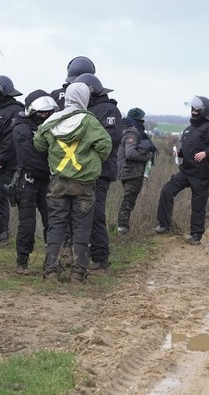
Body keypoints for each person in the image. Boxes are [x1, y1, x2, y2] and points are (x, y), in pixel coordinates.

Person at [33, 82, 112, 282]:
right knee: (82, 227)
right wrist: (90, 159)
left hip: (58, 182)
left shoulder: (52, 120)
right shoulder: (89, 121)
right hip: (84, 183)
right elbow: (105, 145)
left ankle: (51, 270)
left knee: (56, 225)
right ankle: (78, 273)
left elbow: (39, 143)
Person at [154, 95, 209, 245]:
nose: (193, 112)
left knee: (198, 206)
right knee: (166, 191)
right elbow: (188, 148)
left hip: (201, 174)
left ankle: (196, 235)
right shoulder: (189, 129)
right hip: (186, 171)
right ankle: (164, 225)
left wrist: (207, 153)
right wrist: (179, 152)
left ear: (204, 110)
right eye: (192, 109)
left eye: (197, 109)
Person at [73, 73, 121, 272]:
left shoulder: (109, 110)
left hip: (100, 171)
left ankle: (101, 259)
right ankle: (88, 255)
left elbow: (111, 139)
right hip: (83, 170)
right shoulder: (85, 110)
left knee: (95, 213)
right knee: (84, 212)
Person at [12, 90, 58, 275]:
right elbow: (32, 158)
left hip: (48, 181)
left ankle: (52, 262)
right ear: (31, 111)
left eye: (47, 112)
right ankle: (22, 261)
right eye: (41, 112)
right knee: (27, 224)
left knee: (53, 222)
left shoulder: (54, 126)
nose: (44, 115)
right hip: (28, 181)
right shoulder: (21, 129)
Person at [0, 75, 24, 246]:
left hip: (7, 164)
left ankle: (1, 233)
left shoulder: (14, 111)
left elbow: (10, 140)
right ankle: (2, 233)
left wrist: (0, 161)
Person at [116, 107, 156, 236]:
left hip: (131, 171)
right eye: (141, 119)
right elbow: (131, 153)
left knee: (129, 200)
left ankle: (122, 227)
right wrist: (147, 156)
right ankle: (122, 228)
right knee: (128, 201)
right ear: (137, 120)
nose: (143, 121)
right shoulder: (132, 133)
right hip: (131, 171)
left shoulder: (130, 130)